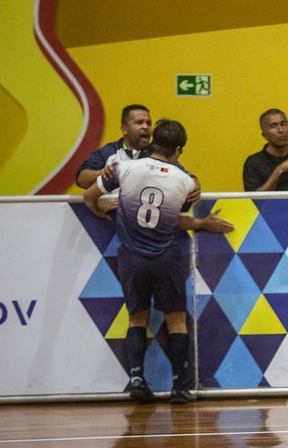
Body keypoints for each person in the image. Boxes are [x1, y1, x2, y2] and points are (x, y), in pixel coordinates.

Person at [84, 119, 234, 404]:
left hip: (132, 256)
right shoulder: (185, 181)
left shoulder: (123, 168)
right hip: (166, 256)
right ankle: (179, 387)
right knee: (176, 319)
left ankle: (137, 379)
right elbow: (176, 219)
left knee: (137, 317)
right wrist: (202, 223)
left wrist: (100, 210)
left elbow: (90, 194)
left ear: (153, 142)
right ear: (178, 149)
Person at [76, 104, 201, 208]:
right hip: (109, 222)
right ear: (124, 129)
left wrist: (194, 183)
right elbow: (82, 180)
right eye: (139, 122)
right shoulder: (108, 152)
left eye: (148, 123)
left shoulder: (158, 154)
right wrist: (103, 173)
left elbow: (183, 174)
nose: (146, 127)